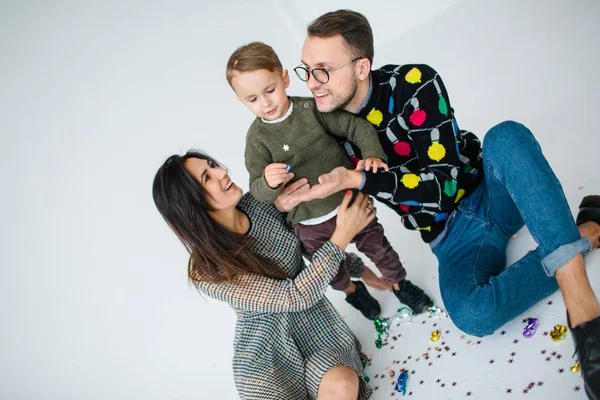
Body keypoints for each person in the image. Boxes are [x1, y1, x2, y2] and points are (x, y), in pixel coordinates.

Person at [284, 9, 600, 398]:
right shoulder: (321, 126)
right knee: (472, 314)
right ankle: (585, 232)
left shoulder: (414, 84)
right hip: (451, 241)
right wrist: (280, 188)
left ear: (361, 66)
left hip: (492, 190)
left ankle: (582, 307)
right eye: (305, 70)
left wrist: (361, 177)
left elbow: (443, 186)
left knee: (506, 137)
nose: (312, 84)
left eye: (323, 70)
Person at [225, 41, 433, 320]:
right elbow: (258, 191)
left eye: (270, 90)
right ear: (241, 101)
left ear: (284, 78)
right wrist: (268, 181)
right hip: (310, 222)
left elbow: (355, 126)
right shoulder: (257, 140)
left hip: (348, 200)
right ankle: (351, 292)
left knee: (379, 248)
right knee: (332, 270)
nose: (265, 103)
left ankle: (399, 284)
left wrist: (372, 154)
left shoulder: (310, 110)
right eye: (253, 99)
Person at [152, 151, 374, 399]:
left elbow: (312, 246)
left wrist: (363, 271)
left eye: (213, 165)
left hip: (318, 330)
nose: (222, 172)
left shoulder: (263, 204)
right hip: (266, 354)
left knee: (343, 385)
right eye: (207, 178)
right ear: (190, 208)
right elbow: (294, 295)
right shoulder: (207, 269)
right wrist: (343, 233)